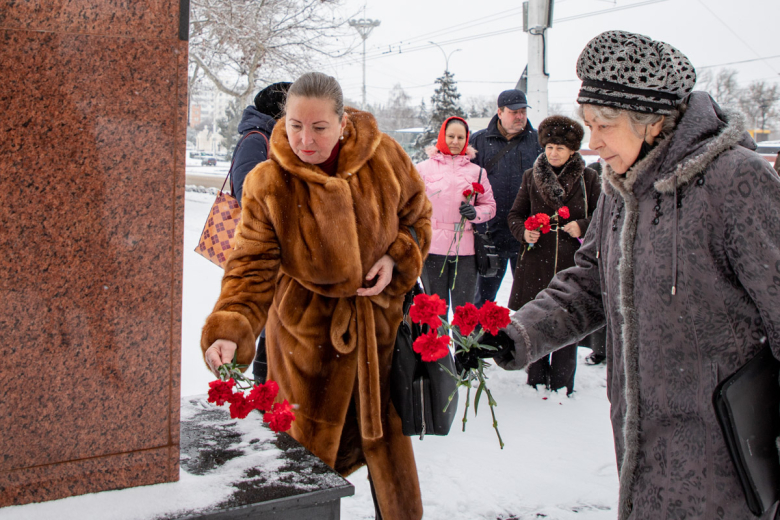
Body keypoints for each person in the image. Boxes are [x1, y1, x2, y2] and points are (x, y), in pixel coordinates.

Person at [468, 30, 780, 519]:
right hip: (642, 445)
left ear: (651, 120)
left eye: (604, 126)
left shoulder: (736, 180)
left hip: (729, 455)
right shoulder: (622, 186)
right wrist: (517, 333)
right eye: (588, 125)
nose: (593, 143)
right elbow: (590, 281)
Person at [200, 72, 431, 520]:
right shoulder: (269, 182)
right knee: (304, 481)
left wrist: (397, 257)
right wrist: (231, 326)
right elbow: (249, 267)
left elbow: (418, 218)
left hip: (379, 346)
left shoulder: (385, 157)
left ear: (343, 123)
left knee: (391, 477)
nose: (305, 140)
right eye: (295, 126)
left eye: (319, 127)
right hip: (307, 351)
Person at [506, 115, 601, 395]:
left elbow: (602, 216)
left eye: (560, 147)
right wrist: (524, 232)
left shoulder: (588, 178)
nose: (553, 153)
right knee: (536, 317)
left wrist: (582, 225)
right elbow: (515, 215)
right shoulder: (531, 176)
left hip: (572, 261)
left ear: (572, 150)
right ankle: (535, 379)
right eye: (549, 147)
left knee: (565, 318)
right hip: (537, 262)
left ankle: (562, 382)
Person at [228, 81, 291, 385]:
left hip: (278, 241)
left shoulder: (274, 138)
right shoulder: (256, 139)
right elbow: (247, 193)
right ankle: (264, 384)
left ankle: (272, 384)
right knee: (270, 315)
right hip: (262, 243)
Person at [469, 89, 544, 307]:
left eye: (523, 111)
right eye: (514, 112)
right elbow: (466, 182)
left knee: (531, 300)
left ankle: (524, 332)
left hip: (526, 233)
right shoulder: (479, 141)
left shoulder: (537, 141)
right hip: (490, 234)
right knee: (483, 299)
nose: (520, 116)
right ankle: (478, 331)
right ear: (500, 112)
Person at [416, 116, 496, 317]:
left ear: (466, 140)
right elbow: (411, 204)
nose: (455, 141)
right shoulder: (423, 169)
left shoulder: (477, 172)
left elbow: (490, 206)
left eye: (460, 137)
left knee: (464, 312)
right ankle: (437, 340)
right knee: (435, 313)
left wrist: (476, 213)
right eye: (451, 136)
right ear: (442, 136)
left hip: (465, 251)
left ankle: (462, 340)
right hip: (432, 248)